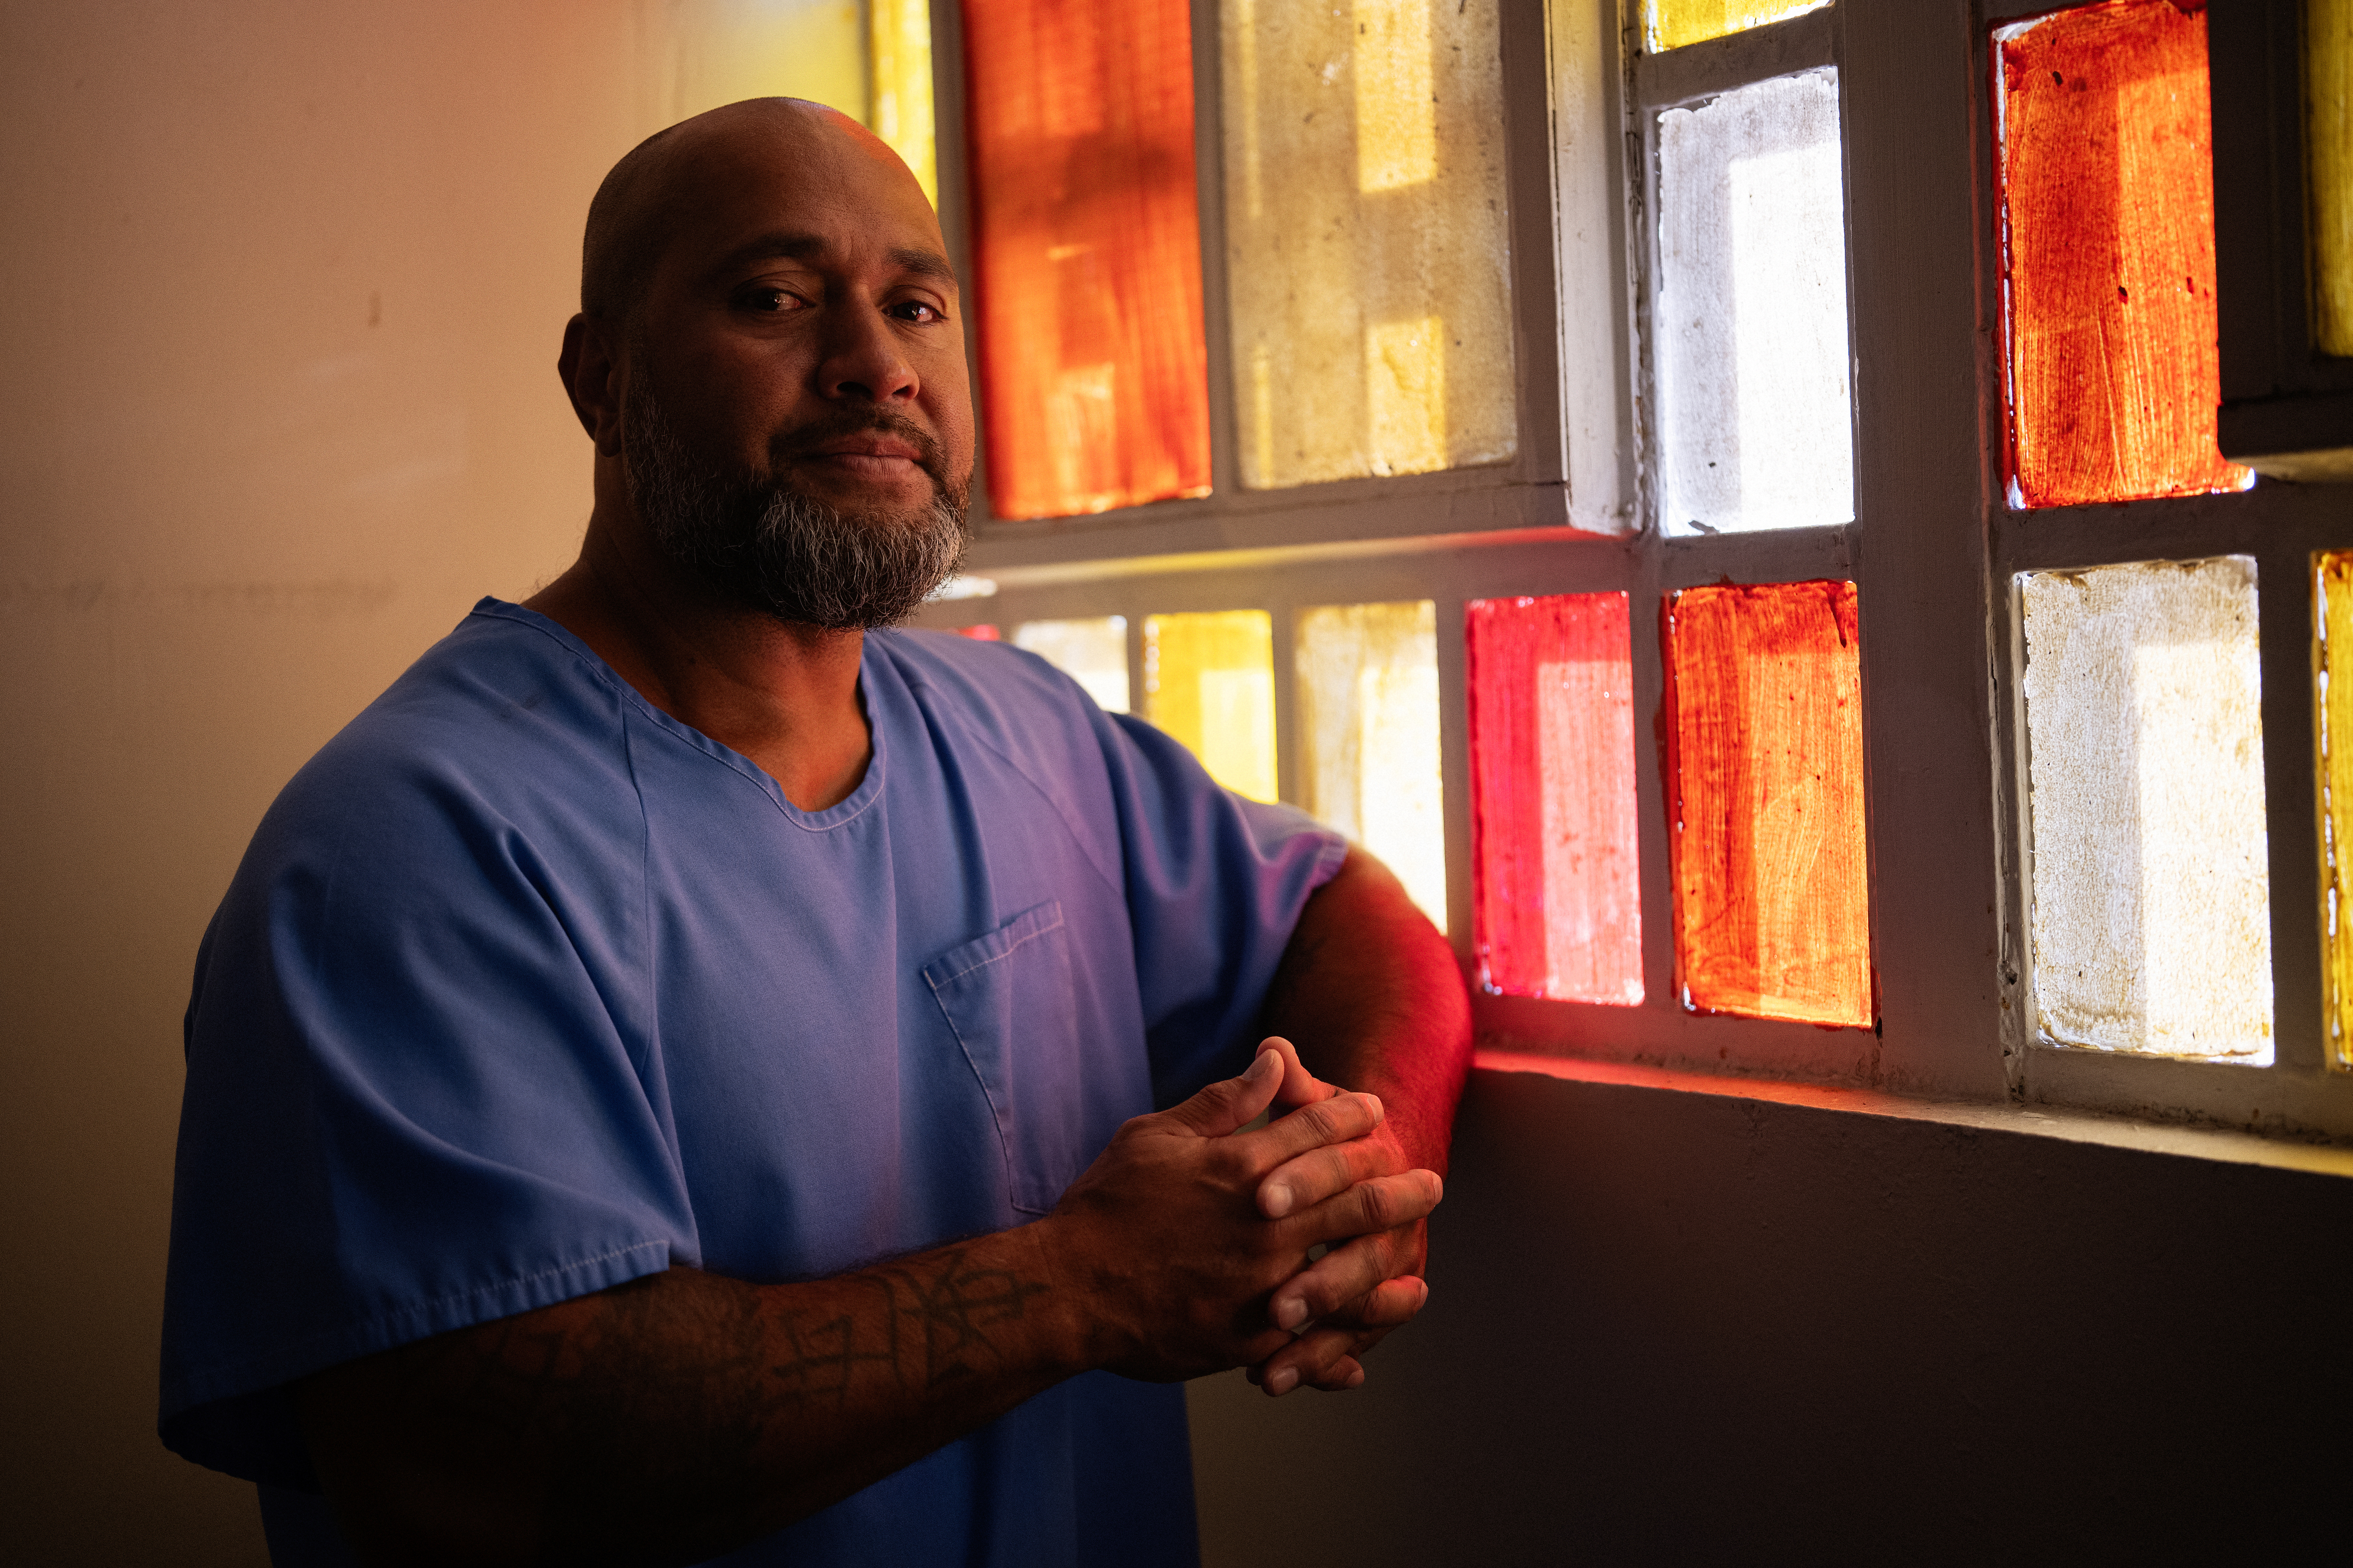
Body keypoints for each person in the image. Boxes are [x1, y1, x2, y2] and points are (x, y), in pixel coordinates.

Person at [159, 98, 1471, 1567]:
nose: (874, 365)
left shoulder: (1020, 730)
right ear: (602, 380)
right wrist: (1080, 1284)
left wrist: (1364, 1178)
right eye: (773, 298)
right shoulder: (410, 849)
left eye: (914, 303)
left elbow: (1347, 914)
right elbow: (472, 1459)